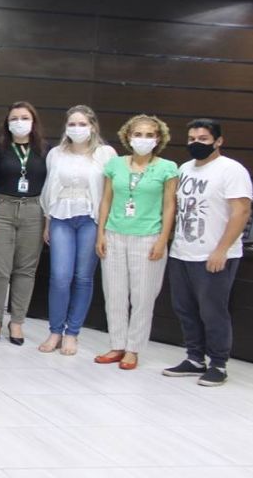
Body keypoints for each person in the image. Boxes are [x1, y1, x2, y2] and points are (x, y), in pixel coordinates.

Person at [162, 119, 253, 387]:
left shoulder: (231, 170)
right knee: (184, 308)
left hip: (214, 254)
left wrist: (221, 249)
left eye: (203, 139)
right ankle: (194, 358)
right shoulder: (185, 168)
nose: (196, 144)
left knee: (213, 311)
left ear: (218, 141)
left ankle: (218, 364)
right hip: (182, 252)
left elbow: (242, 212)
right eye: (191, 139)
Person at [95, 115, 178, 369]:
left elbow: (169, 205)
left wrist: (163, 239)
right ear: (127, 137)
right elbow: (106, 200)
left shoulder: (167, 168)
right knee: (114, 294)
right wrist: (101, 233)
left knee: (142, 297)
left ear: (158, 139)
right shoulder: (115, 165)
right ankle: (117, 344)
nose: (143, 139)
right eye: (138, 134)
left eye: (149, 135)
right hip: (114, 234)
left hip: (148, 236)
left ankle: (134, 349)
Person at [37, 105, 117, 355]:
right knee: (60, 277)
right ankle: (55, 331)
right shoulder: (56, 154)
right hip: (61, 217)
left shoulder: (105, 153)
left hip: (90, 219)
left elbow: (109, 193)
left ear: (92, 126)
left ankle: (73, 333)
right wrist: (48, 221)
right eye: (72, 124)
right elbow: (49, 189)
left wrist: (103, 229)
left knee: (83, 277)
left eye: (82, 124)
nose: (77, 129)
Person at [0, 101, 47, 345]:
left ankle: (17, 322)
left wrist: (47, 221)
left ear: (33, 121)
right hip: (1, 209)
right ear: (7, 123)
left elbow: (49, 187)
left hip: (34, 210)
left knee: (26, 271)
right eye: (15, 118)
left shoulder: (44, 150)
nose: (20, 122)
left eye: (25, 117)